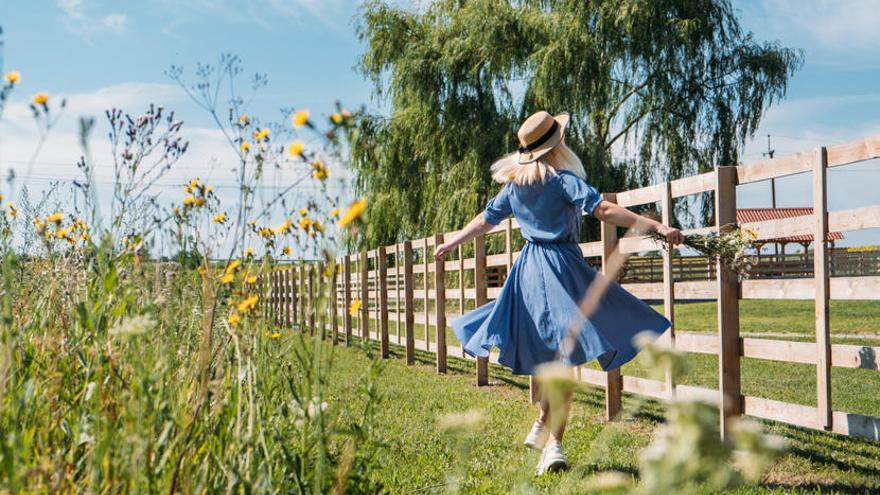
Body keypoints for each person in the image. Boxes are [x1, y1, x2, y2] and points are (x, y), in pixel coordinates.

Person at [432, 111, 683, 475]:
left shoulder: (515, 185)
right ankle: (554, 445)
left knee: (556, 353)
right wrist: (656, 225)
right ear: (557, 144)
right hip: (563, 270)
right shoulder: (562, 180)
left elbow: (485, 220)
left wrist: (451, 243)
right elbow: (605, 209)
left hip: (529, 271)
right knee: (566, 356)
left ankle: (544, 421)